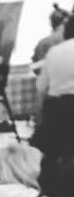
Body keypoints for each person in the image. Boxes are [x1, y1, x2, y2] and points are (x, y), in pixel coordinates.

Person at [33, 17, 74, 160]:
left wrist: (39, 115)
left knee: (56, 155)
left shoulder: (54, 52)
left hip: (57, 110)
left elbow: (42, 87)